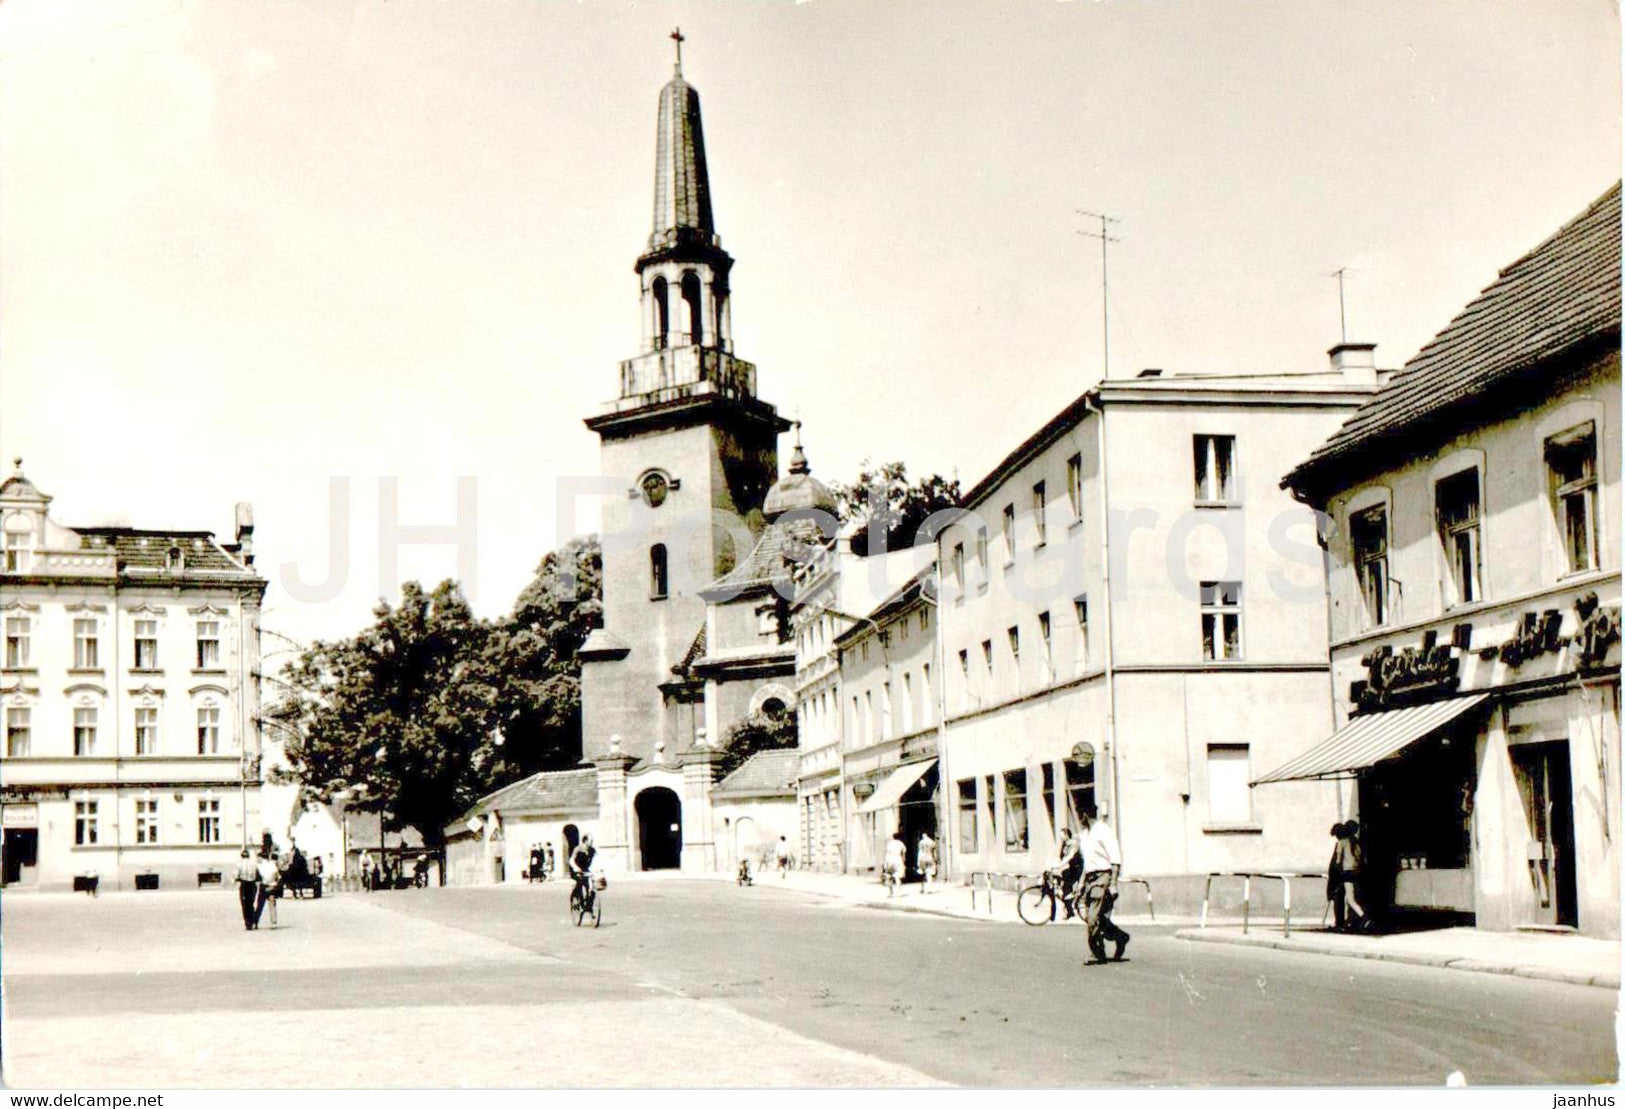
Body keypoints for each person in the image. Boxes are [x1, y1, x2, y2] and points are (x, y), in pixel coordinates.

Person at [1078, 805, 1129, 965]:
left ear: (1085, 815)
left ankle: (1097, 953)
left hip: (1103, 877)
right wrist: (1080, 884)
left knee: (1093, 917)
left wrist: (1113, 883)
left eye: (1080, 815)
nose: (1079, 819)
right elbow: (1087, 863)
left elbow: (1115, 859)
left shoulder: (1103, 831)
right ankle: (1120, 937)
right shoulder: (1085, 834)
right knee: (1096, 918)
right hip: (1090, 878)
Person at [1332, 820, 1369, 932]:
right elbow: (1361, 858)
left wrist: (1337, 874)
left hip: (1347, 873)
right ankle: (1353, 921)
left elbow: (1338, 861)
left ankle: (1365, 919)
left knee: (1350, 899)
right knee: (1355, 897)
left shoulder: (1342, 843)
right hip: (1356, 872)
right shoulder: (1355, 842)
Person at [1056, 827, 1083, 919]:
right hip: (1071, 867)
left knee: (1067, 889)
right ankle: (1070, 910)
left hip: (1078, 868)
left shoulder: (1074, 843)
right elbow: (1061, 857)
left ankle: (1074, 900)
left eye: (1062, 834)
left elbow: (1070, 856)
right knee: (1064, 889)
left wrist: (1059, 865)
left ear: (1067, 835)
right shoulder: (1064, 844)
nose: (1060, 836)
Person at [254, 849, 281, 929]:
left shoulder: (260, 866)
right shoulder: (273, 865)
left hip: (264, 886)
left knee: (260, 905)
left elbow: (257, 877)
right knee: (272, 905)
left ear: (261, 858)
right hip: (272, 886)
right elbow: (278, 877)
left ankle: (255, 922)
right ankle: (273, 922)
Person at [234, 849, 260, 930]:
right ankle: (252, 921)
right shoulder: (254, 864)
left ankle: (247, 923)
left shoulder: (239, 864)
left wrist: (236, 880)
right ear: (248, 855)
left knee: (244, 904)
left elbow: (236, 875)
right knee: (251, 903)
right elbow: (258, 875)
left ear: (242, 856)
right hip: (252, 884)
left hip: (244, 884)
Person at [568, 833, 597, 905]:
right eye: (590, 840)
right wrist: (576, 868)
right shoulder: (578, 849)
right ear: (585, 841)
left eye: (592, 841)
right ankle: (578, 900)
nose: (592, 842)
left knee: (591, 887)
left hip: (585, 869)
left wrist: (598, 869)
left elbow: (596, 860)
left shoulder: (592, 850)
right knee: (580, 884)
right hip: (576, 869)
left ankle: (589, 903)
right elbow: (571, 861)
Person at [882, 831, 907, 896]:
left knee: (889, 877)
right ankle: (898, 892)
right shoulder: (901, 844)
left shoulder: (889, 843)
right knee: (898, 877)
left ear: (893, 837)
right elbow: (903, 854)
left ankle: (891, 892)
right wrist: (903, 862)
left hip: (890, 860)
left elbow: (887, 853)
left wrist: (885, 863)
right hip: (898, 859)